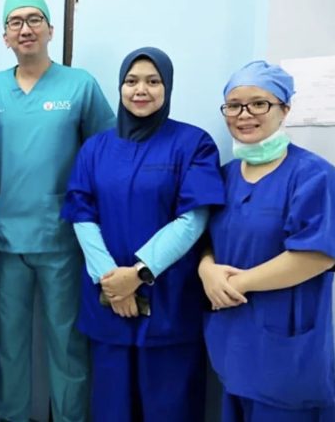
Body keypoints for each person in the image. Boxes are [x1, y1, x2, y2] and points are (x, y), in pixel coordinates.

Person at [61, 47, 225, 421]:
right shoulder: (95, 148)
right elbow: (81, 214)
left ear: (167, 87)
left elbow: (193, 219)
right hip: (108, 300)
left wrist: (137, 274)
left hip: (169, 300)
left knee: (170, 406)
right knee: (111, 406)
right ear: (120, 87)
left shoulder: (193, 144)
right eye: (131, 81)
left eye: (153, 81)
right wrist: (111, 282)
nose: (141, 90)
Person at [0, 0, 115, 420]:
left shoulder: (80, 85)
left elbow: (104, 155)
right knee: (10, 342)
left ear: (51, 30)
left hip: (61, 236)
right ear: (5, 35)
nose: (25, 29)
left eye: (34, 19)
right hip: (7, 236)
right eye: (15, 22)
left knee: (67, 342)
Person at [201, 61, 335, 422]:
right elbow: (208, 238)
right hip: (231, 340)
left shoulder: (313, 174)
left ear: (285, 109)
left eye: (259, 103)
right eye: (234, 105)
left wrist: (239, 283)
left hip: (286, 348)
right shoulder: (224, 176)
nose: (244, 115)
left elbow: (318, 254)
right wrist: (206, 269)